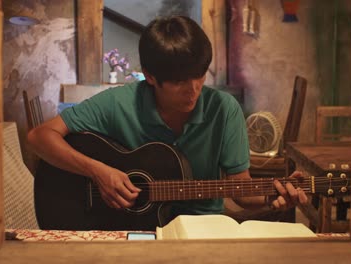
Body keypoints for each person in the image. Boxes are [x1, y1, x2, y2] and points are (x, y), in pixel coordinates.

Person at [28, 15, 307, 228]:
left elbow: (241, 190)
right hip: (131, 228)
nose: (194, 89)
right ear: (150, 76)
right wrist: (97, 171)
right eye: (178, 81)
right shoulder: (118, 103)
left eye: (200, 75)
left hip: (203, 226)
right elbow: (39, 137)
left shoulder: (224, 109)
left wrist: (272, 195)